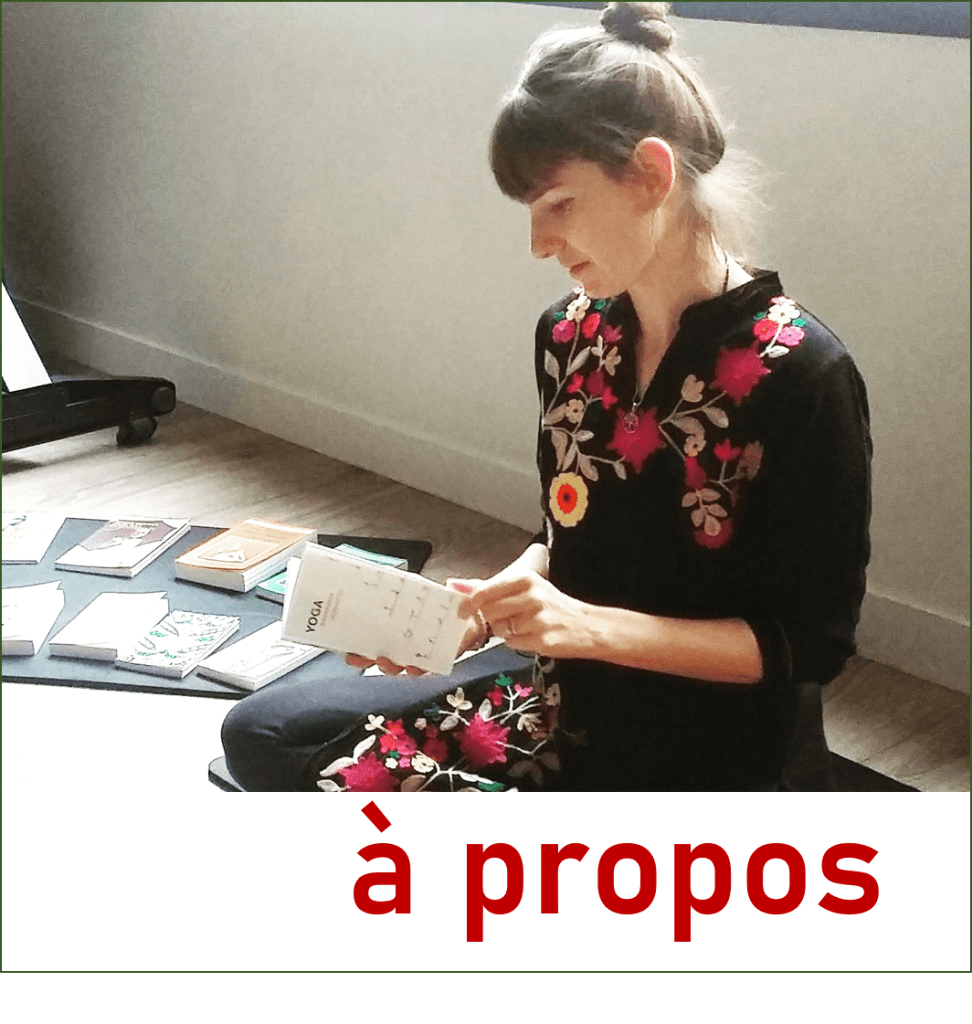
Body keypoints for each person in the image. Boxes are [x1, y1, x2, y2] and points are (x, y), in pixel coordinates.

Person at [221, 2, 871, 793]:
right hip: (565, 702)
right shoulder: (571, 334)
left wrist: (586, 627)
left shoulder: (802, 373)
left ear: (652, 175)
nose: (537, 245)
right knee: (261, 732)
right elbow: (570, 530)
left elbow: (809, 642)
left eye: (559, 205)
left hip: (708, 755)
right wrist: (488, 607)